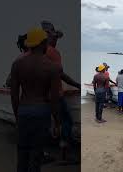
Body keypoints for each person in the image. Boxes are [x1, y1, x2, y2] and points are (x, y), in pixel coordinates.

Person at [10, 28, 61, 172]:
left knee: (22, 154)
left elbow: (14, 94)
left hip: (24, 110)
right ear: (43, 43)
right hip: (41, 111)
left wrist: (17, 116)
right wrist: (57, 122)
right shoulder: (52, 67)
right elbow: (54, 99)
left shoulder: (17, 64)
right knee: (36, 155)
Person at [41, 20, 80, 162]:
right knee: (66, 122)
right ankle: (64, 153)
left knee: (46, 123)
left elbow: (58, 73)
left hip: (44, 95)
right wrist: (77, 85)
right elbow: (60, 74)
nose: (56, 40)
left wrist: (76, 84)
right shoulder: (52, 51)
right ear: (47, 36)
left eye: (57, 37)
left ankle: (44, 153)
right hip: (54, 94)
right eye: (54, 37)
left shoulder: (41, 51)